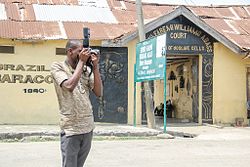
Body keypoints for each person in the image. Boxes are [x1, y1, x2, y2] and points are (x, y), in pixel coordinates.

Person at [50, 39, 103, 167]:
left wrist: (95, 67)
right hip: (71, 128)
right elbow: (69, 86)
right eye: (80, 51)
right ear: (70, 51)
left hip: (87, 126)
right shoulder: (58, 67)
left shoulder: (85, 69)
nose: (83, 54)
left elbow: (98, 92)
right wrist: (82, 62)